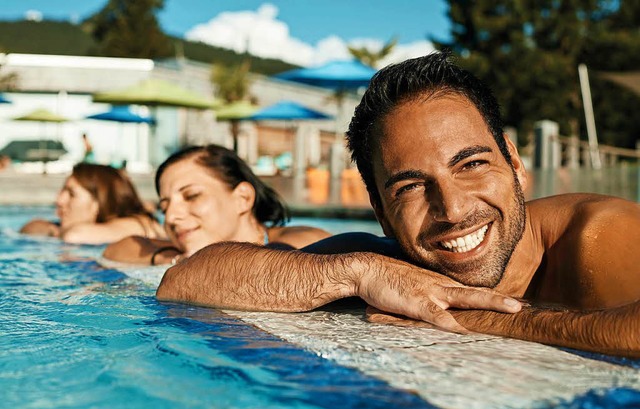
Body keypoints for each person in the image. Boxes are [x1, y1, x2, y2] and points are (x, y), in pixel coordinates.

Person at [155, 52, 639, 357]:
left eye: (471, 164)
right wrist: (359, 273)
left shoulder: (597, 236)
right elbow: (183, 280)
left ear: (514, 162)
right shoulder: (382, 265)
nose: (451, 209)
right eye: (409, 187)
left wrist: (475, 319)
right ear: (380, 210)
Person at [103, 145, 331, 265]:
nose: (171, 217)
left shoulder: (301, 241)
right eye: (165, 206)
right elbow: (119, 248)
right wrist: (175, 259)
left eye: (191, 196)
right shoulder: (180, 252)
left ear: (242, 198)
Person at [20, 163, 165, 244]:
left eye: (71, 194)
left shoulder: (140, 225)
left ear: (100, 203)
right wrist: (56, 230)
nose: (59, 200)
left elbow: (75, 236)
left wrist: (58, 232)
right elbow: (30, 227)